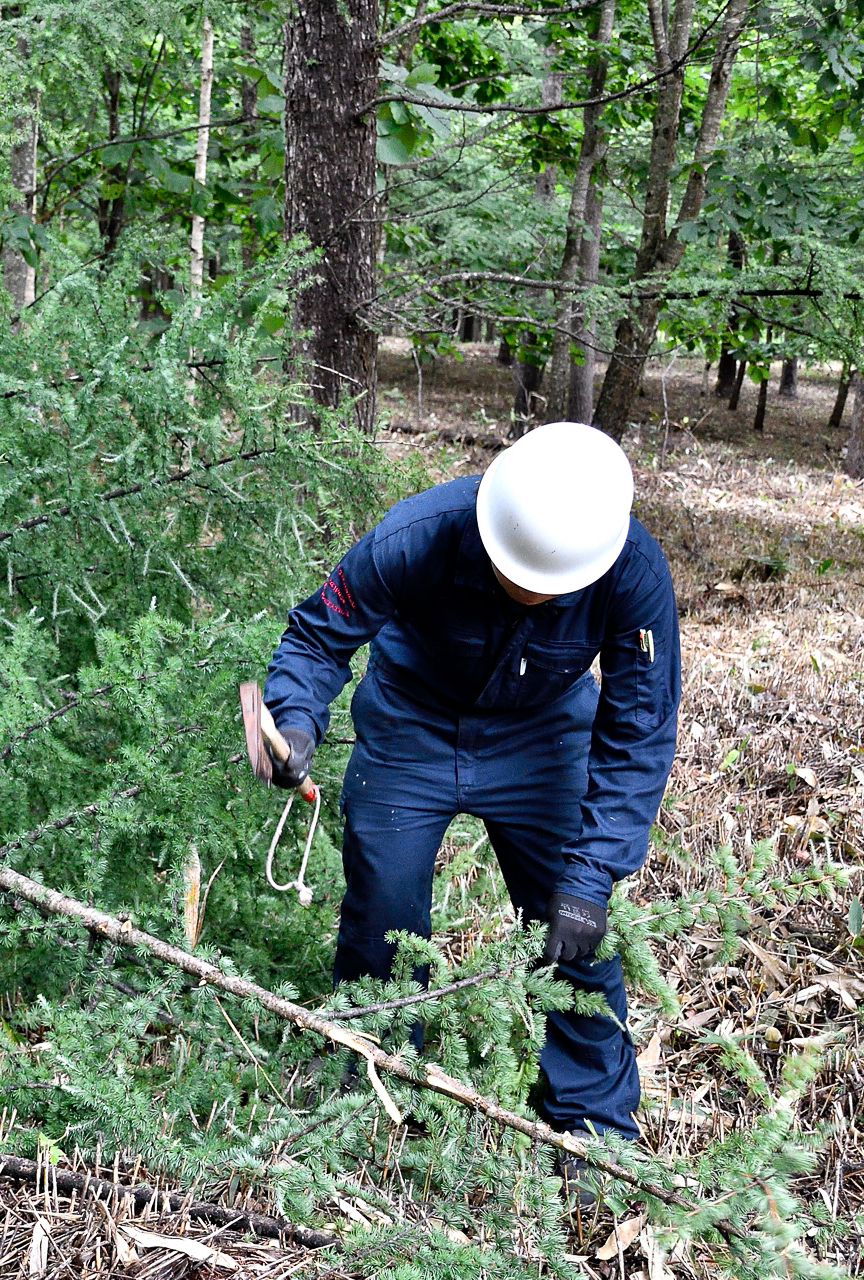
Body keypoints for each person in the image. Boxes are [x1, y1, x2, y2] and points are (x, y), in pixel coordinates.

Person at [260, 422, 680, 1192]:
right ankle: (381, 1097)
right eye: (513, 569)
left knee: (578, 934)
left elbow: (639, 730)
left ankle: (595, 1131)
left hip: (545, 732)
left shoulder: (632, 573)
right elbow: (318, 637)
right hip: (412, 721)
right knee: (383, 914)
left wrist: (593, 876)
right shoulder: (419, 534)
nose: (524, 588)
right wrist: (294, 720)